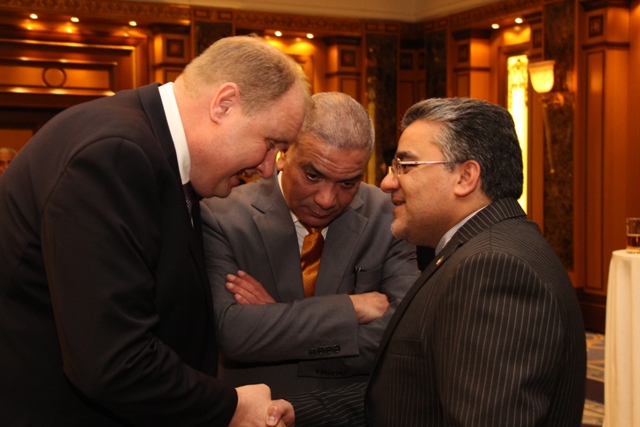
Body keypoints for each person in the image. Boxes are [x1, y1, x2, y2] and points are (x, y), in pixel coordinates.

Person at [0, 34, 310, 426]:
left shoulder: (153, 150)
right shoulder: (114, 154)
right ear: (224, 104)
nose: (268, 168)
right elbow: (114, 361)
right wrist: (232, 408)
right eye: (270, 143)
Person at [267, 97, 587, 427]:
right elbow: (413, 392)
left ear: (465, 177)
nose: (387, 182)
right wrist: (296, 411)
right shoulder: (475, 252)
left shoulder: (494, 267)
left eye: (405, 166)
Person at [200, 92, 420, 398]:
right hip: (259, 410)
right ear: (283, 153)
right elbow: (233, 333)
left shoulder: (386, 215)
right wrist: (350, 308)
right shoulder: (221, 215)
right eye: (313, 175)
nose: (327, 200)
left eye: (348, 183)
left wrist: (276, 320)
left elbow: (407, 330)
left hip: (354, 410)